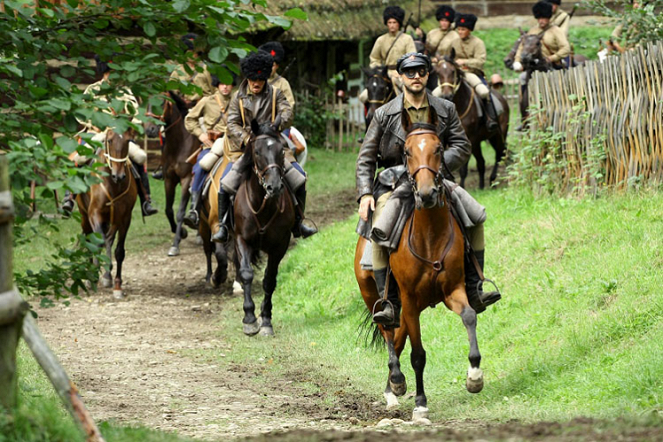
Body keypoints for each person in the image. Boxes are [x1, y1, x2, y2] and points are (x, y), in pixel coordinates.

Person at [356, 52, 501, 326]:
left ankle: (475, 287)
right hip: (394, 181)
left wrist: (430, 166)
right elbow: (366, 156)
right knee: (379, 229)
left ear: (427, 75)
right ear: (400, 76)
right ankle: (389, 301)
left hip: (435, 178)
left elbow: (462, 145)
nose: (416, 77)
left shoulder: (445, 108)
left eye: (421, 71)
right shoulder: (383, 114)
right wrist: (365, 193)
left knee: (476, 215)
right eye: (409, 72)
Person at [211, 51, 317, 243]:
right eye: (252, 79)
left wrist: (276, 124)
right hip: (245, 150)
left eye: (260, 79)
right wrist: (247, 138)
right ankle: (224, 226)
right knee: (226, 184)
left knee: (299, 178)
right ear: (247, 78)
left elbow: (288, 112)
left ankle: (299, 222)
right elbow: (232, 123)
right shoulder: (238, 98)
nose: (256, 83)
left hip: (273, 147)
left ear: (266, 77)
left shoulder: (277, 93)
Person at [62, 55, 158, 217]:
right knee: (78, 158)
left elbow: (134, 114)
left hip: (119, 135)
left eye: (114, 72)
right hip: (98, 134)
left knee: (140, 157)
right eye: (109, 72)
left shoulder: (125, 92)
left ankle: (146, 200)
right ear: (103, 73)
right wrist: (93, 124)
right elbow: (81, 114)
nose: (112, 75)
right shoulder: (92, 90)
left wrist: (130, 125)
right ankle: (69, 197)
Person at [182, 73, 236, 229]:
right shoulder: (207, 101)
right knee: (201, 166)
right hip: (212, 145)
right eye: (222, 83)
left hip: (234, 145)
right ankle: (194, 209)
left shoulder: (238, 101)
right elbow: (189, 119)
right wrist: (201, 134)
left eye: (229, 83)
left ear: (232, 85)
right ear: (217, 85)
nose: (225, 87)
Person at [443, 13, 499, 131]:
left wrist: (464, 62)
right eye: (459, 29)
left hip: (472, 74)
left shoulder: (478, 43)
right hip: (455, 75)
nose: (460, 32)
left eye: (463, 29)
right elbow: (448, 58)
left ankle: (490, 119)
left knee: (484, 92)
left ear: (469, 30)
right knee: (436, 93)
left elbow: (481, 61)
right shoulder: (454, 43)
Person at [359, 6, 417, 104]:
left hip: (402, 74)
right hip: (384, 74)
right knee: (363, 96)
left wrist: (401, 72)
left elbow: (412, 58)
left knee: (409, 95)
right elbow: (374, 58)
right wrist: (379, 71)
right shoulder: (380, 40)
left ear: (399, 24)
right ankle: (369, 117)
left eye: (394, 22)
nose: (392, 25)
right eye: (389, 23)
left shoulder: (407, 39)